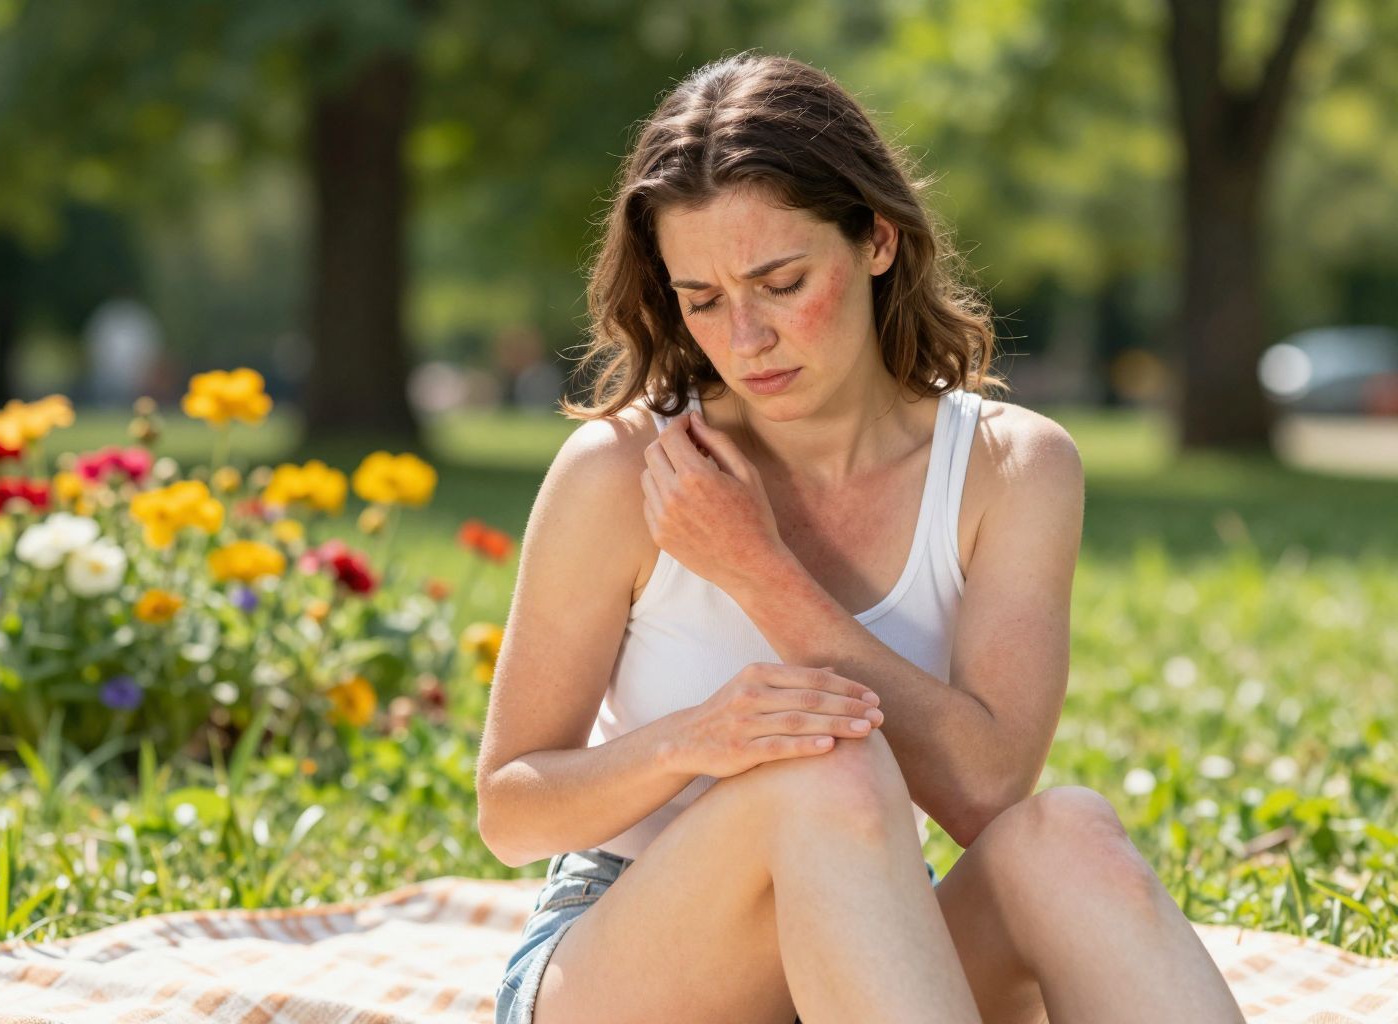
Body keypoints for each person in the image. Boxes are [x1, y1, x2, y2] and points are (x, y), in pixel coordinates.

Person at [476, 51, 1244, 1024]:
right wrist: (700, 740)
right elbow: (509, 808)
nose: (744, 336)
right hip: (628, 951)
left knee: (1070, 835)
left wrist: (759, 569)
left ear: (877, 240)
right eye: (701, 298)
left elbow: (984, 792)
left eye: (781, 281)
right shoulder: (621, 472)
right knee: (824, 764)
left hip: (873, 946)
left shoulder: (1011, 470)